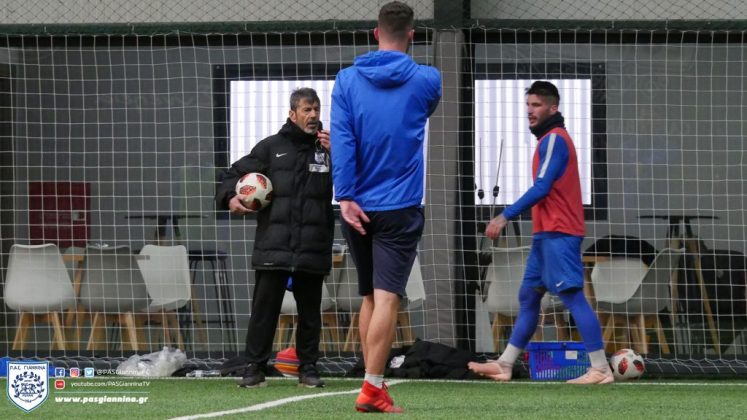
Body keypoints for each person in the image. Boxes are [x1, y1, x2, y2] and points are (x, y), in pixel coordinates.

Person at [330, 1, 441, 413]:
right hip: (401, 206)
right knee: (387, 297)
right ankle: (372, 387)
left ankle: (370, 379)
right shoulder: (428, 79)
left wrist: (345, 196)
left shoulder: (345, 80)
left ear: (375, 33)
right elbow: (422, 108)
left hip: (355, 205)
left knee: (369, 297)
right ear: (411, 35)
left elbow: (342, 140)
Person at [468, 81, 613, 385]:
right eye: (528, 105)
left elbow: (542, 187)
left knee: (572, 296)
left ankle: (600, 368)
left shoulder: (555, 139)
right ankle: (505, 364)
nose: (530, 111)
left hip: (560, 232)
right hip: (545, 234)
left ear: (552, 108)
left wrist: (504, 216)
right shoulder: (548, 139)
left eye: (536, 105)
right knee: (529, 295)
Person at [215, 87, 334, 389]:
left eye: (316, 109)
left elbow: (353, 180)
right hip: (273, 245)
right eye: (306, 110)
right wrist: (230, 198)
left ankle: (308, 368)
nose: (313, 115)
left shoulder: (330, 148)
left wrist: (340, 153)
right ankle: (255, 368)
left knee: (310, 313)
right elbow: (231, 175)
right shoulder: (271, 148)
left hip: (313, 243)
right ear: (292, 114)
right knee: (264, 311)